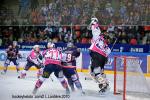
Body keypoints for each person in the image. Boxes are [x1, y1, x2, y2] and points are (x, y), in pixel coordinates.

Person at [88, 18, 111, 94]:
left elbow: (95, 28)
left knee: (95, 72)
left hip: (97, 55)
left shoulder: (97, 36)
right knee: (96, 72)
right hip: (102, 57)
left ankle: (104, 85)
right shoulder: (106, 45)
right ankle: (105, 83)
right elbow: (108, 53)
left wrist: (94, 21)